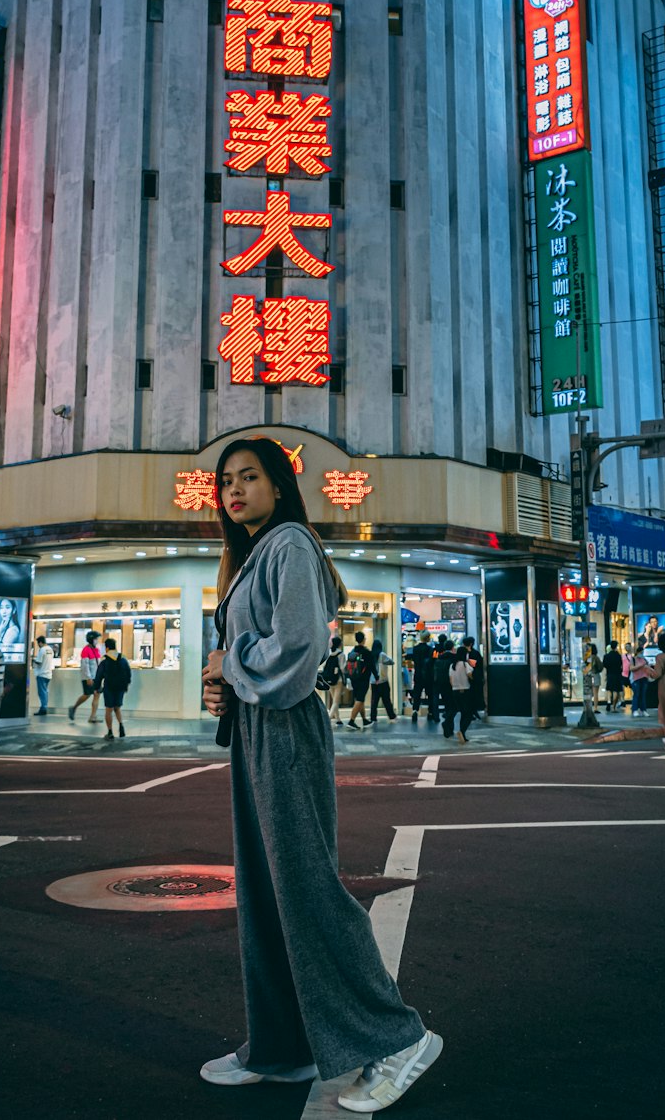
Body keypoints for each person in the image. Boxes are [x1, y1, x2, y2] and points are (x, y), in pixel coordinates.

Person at [200, 435, 442, 1109]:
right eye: (227, 482)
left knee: (306, 888)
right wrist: (226, 679)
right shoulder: (253, 555)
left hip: (287, 732)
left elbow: (299, 653)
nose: (236, 489)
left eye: (250, 477)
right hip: (257, 729)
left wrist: (233, 664)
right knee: (267, 892)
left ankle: (398, 1038)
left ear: (280, 485)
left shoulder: (289, 545)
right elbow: (256, 655)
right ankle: (284, 1050)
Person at [95, 637, 131, 739]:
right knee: (117, 708)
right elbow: (128, 673)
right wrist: (126, 685)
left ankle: (110, 732)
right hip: (120, 688)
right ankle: (121, 727)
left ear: (107, 648)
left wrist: (97, 687)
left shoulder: (105, 660)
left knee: (109, 710)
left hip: (109, 688)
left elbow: (99, 675)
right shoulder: (122, 659)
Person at [443, 646, 475, 743]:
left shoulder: (452, 666)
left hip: (455, 691)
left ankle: (462, 734)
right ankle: (462, 731)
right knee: (468, 714)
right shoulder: (465, 665)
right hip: (465, 691)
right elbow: (471, 676)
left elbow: (451, 680)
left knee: (460, 711)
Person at [344, 631, 374, 730]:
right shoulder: (366, 652)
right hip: (363, 679)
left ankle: (365, 720)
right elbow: (372, 666)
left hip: (354, 679)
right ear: (364, 639)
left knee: (359, 699)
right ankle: (351, 721)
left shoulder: (352, 651)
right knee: (360, 699)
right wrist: (377, 677)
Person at [68, 630, 102, 722]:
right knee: (87, 695)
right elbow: (84, 666)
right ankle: (74, 707)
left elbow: (98, 663)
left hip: (96, 677)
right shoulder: (86, 650)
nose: (97, 640)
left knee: (97, 695)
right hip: (89, 678)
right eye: (96, 639)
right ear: (91, 639)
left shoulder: (96, 650)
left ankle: (93, 716)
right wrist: (88, 677)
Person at [368, 640, 397, 723]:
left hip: (373, 681)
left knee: (374, 701)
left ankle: (373, 717)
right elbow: (392, 662)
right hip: (383, 681)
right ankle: (391, 716)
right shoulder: (382, 655)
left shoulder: (371, 655)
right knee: (386, 700)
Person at [322, 635, 347, 725]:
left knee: (334, 699)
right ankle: (328, 719)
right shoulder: (341, 654)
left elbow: (324, 666)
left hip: (329, 679)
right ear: (340, 644)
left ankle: (338, 719)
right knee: (336, 701)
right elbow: (343, 668)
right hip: (338, 680)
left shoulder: (329, 654)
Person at [410, 634, 435, 721]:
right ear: (427, 638)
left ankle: (415, 710)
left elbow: (414, 660)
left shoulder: (415, 649)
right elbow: (432, 662)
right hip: (428, 675)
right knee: (430, 694)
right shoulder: (430, 649)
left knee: (417, 693)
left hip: (418, 674)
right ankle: (430, 712)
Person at [432, 638, 455, 728]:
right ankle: (449, 722)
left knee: (441, 701)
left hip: (439, 682)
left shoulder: (438, 659)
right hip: (450, 683)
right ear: (452, 647)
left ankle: (438, 717)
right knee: (451, 704)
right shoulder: (454, 658)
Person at [31, 633, 55, 715]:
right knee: (45, 691)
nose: (38, 645)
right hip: (48, 674)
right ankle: (44, 707)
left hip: (41, 673)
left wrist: (33, 660)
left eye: (38, 644)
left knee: (42, 692)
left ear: (40, 642)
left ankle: (43, 708)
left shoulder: (42, 650)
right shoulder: (50, 649)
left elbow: (39, 662)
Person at [463, 636, 485, 719]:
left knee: (467, 696)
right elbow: (480, 665)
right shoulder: (475, 653)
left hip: (465, 677)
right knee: (475, 694)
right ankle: (474, 710)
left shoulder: (462, 653)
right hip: (475, 677)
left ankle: (470, 711)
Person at [602, 640, 624, 711]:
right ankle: (614, 707)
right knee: (615, 691)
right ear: (616, 647)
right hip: (617, 675)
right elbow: (621, 665)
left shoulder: (606, 656)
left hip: (609, 674)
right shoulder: (618, 656)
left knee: (609, 689)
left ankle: (608, 702)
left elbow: (605, 665)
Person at [630, 644, 651, 716]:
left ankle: (643, 710)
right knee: (636, 694)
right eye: (641, 652)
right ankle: (634, 709)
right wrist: (641, 665)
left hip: (644, 678)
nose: (642, 654)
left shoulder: (644, 659)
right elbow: (632, 668)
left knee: (643, 695)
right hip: (636, 679)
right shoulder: (633, 659)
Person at [584, 643, 603, 709]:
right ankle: (595, 708)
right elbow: (600, 667)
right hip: (595, 675)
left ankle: (588, 707)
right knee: (595, 693)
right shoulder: (596, 657)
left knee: (588, 692)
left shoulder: (586, 658)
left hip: (588, 676)